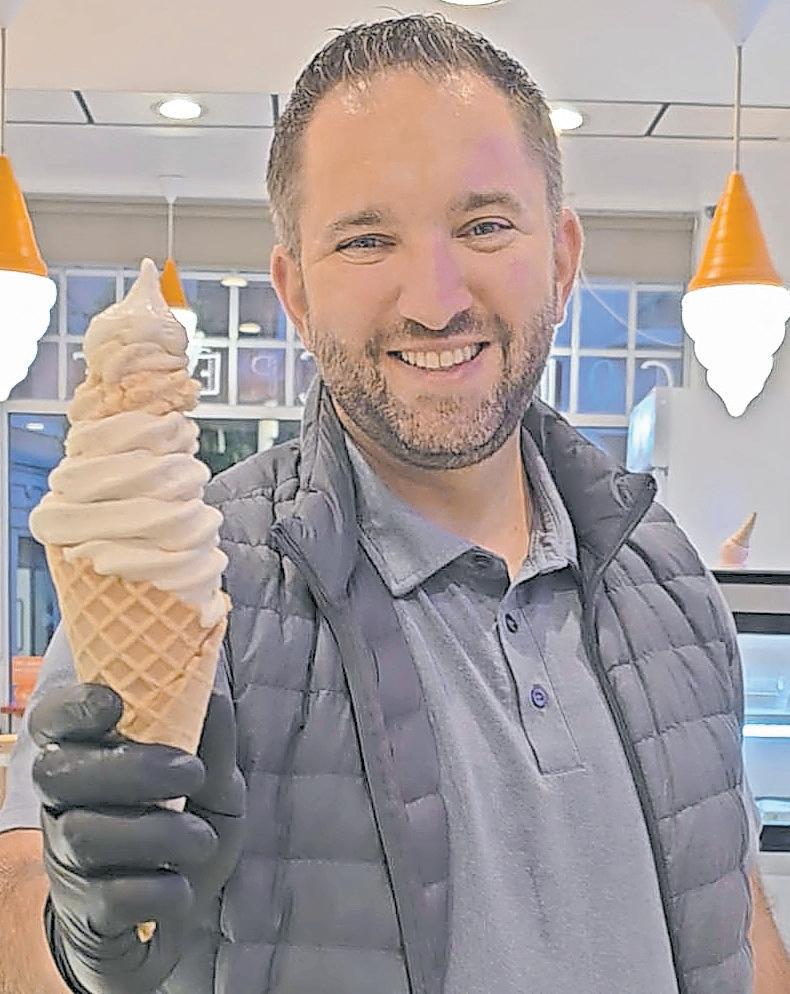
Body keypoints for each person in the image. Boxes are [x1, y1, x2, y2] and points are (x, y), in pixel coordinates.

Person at [0, 13, 787, 994]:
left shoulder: (667, 576)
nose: (435, 299)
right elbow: (19, 904)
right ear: (294, 292)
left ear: (562, 256)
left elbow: (738, 917)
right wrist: (79, 940)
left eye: (484, 225)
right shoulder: (188, 571)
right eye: (366, 239)